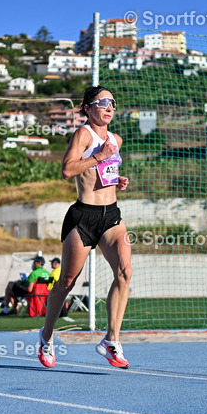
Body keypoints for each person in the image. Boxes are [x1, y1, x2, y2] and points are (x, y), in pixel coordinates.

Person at [39, 86, 132, 368]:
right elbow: (67, 170)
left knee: (125, 273)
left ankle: (111, 340)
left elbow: (103, 173)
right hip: (83, 216)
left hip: (111, 216)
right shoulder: (82, 134)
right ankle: (46, 335)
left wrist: (118, 181)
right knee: (67, 281)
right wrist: (98, 157)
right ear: (87, 108)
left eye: (112, 103)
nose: (109, 107)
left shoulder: (115, 139)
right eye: (102, 102)